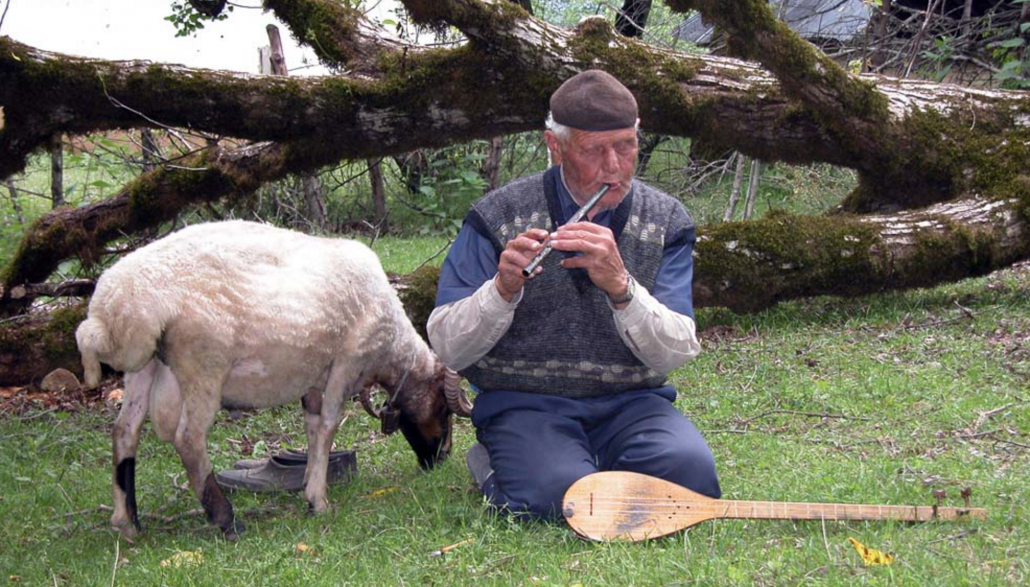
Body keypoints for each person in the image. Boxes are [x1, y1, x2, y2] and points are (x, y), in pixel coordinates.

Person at [427, 70, 721, 519]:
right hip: (526, 402)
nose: (615, 167)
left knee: (691, 480)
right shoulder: (498, 215)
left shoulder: (666, 220)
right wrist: (501, 290)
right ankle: (501, 462)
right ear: (555, 146)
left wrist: (622, 288)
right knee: (551, 498)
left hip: (632, 404)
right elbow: (447, 343)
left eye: (626, 146)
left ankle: (582, 463)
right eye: (594, 150)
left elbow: (677, 351)